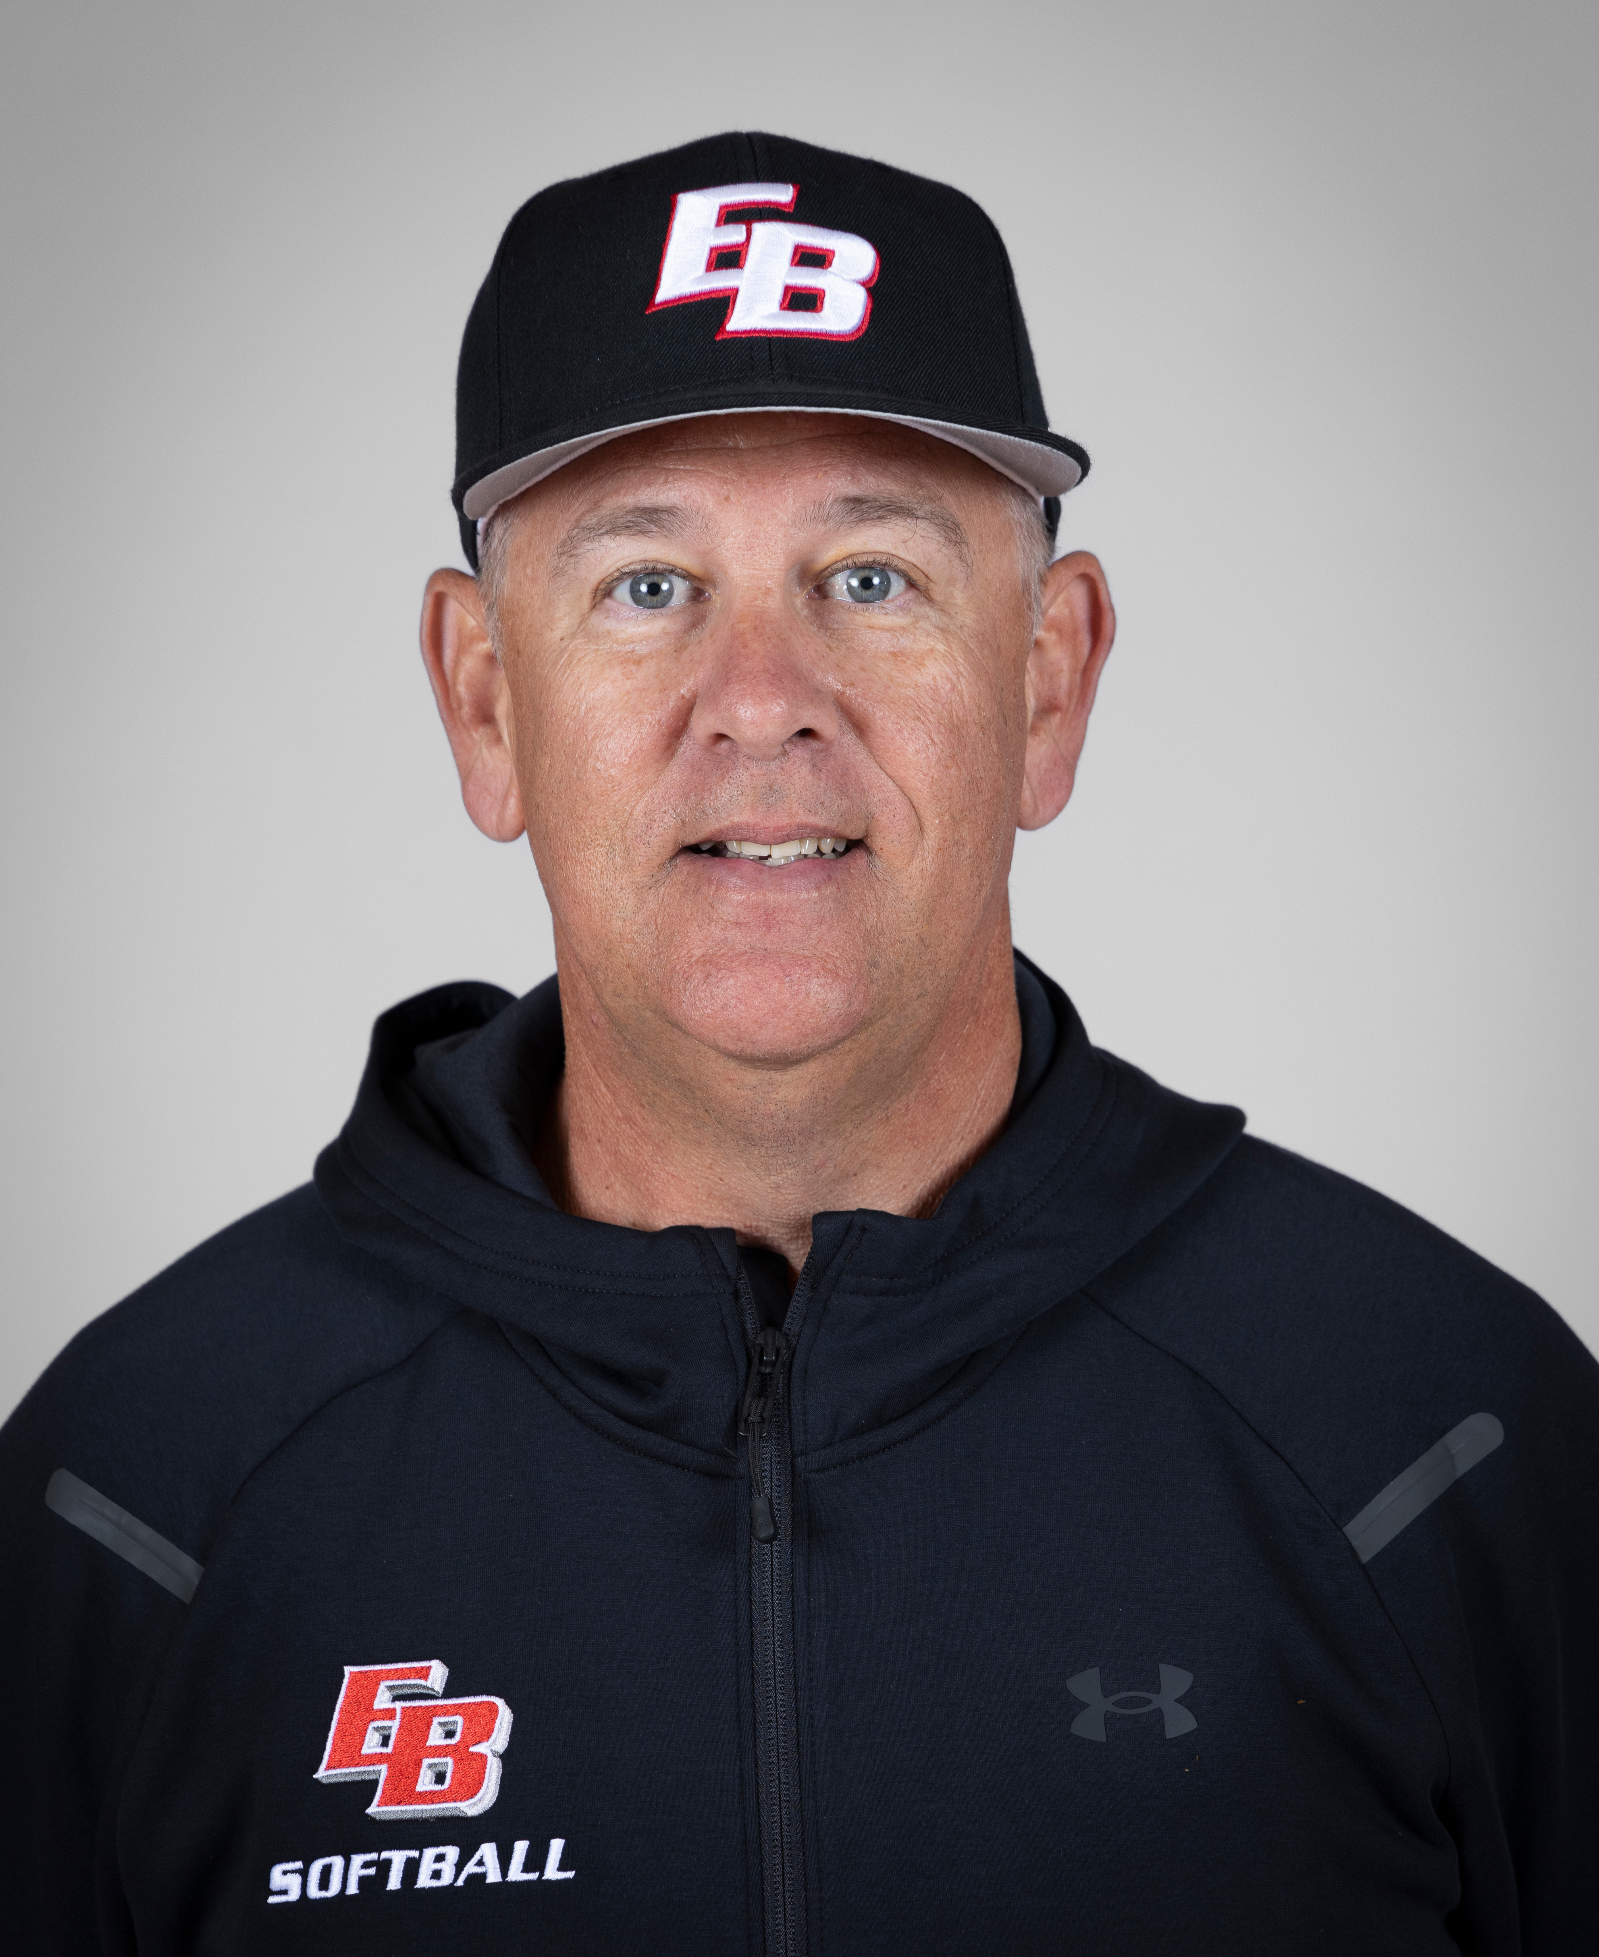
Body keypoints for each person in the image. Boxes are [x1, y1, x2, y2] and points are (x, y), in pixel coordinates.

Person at [2, 131, 1593, 1957]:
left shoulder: (1438, 1437)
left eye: (870, 577)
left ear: (1048, 682)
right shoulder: (142, 1491)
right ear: (484, 699)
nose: (760, 702)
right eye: (647, 587)